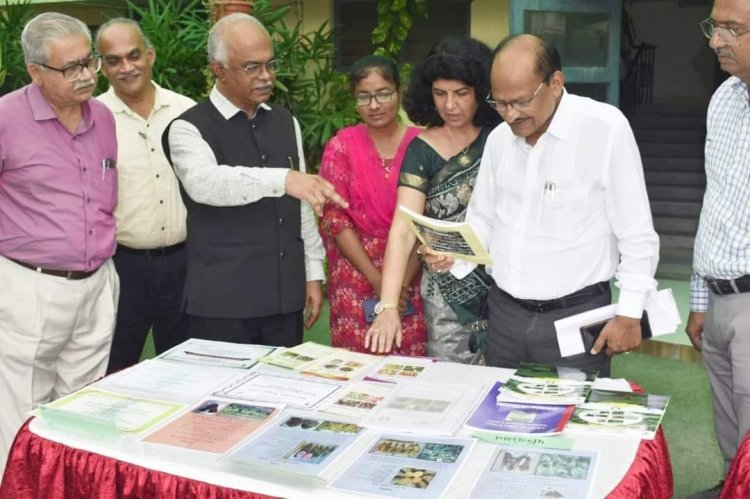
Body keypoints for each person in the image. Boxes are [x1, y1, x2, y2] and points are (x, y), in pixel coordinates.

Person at [448, 34, 658, 376]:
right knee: (500, 417)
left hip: (576, 317)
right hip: (505, 315)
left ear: (555, 83)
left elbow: (636, 234)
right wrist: (453, 254)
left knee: (572, 422)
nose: (510, 115)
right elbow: (483, 217)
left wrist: (630, 311)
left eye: (519, 102)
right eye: (499, 103)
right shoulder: (500, 140)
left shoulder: (604, 128)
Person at [164, 13, 346, 347]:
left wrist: (312, 273)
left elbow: (302, 200)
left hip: (282, 298)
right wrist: (283, 179)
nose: (266, 76)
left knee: (283, 392)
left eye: (270, 64)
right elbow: (205, 184)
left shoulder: (283, 121)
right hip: (223, 303)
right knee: (220, 397)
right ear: (218, 69)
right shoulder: (188, 126)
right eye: (251, 67)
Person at [0, 12, 119, 474]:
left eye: (88, 62)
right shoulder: (7, 118)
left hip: (98, 282)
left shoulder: (104, 117)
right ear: (35, 71)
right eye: (70, 68)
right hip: (31, 286)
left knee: (85, 404)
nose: (87, 75)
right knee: (20, 407)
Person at [366, 36, 501, 363]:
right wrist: (387, 306)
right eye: (440, 94)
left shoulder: (502, 138)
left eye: (461, 93)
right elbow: (403, 229)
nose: (450, 105)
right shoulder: (421, 150)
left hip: (506, 285)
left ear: (481, 91)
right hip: (447, 294)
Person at [96, 19, 196, 373]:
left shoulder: (186, 111)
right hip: (123, 267)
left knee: (187, 367)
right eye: (113, 60)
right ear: (101, 66)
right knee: (115, 367)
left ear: (150, 55)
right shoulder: (93, 119)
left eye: (134, 55)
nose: (126, 67)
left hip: (185, 263)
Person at [319, 55, 426, 355]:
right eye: (364, 96)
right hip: (356, 278)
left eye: (383, 94)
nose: (375, 105)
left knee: (410, 370)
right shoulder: (341, 146)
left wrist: (400, 285)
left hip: (413, 276)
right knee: (357, 374)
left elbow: (427, 221)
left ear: (399, 92)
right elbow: (335, 218)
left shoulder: (423, 144)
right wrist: (379, 281)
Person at [686, 1, 750, 496]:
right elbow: (716, 199)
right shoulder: (724, 97)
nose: (715, 41)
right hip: (720, 296)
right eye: (715, 26)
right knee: (730, 424)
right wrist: (701, 299)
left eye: (732, 29)